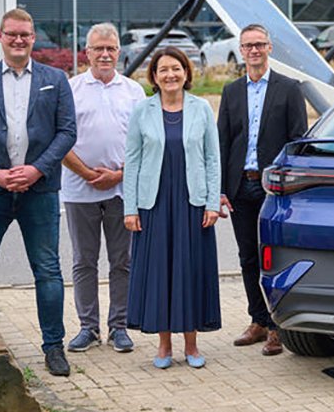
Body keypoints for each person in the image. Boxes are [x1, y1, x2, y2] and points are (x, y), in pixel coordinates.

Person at [0, 8, 77, 377]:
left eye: (25, 34)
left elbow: (67, 132)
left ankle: (53, 347)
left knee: (47, 270)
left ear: (33, 38)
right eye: (12, 35)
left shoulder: (55, 79)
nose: (19, 40)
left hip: (39, 190)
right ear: (1, 37)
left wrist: (37, 168)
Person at [123, 46, 221, 369]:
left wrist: (212, 202)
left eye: (176, 68)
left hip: (192, 203)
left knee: (189, 271)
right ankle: (164, 346)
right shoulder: (142, 110)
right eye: (163, 70)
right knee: (160, 273)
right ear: (154, 76)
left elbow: (212, 159)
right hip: (154, 203)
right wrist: (131, 208)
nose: (170, 75)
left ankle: (191, 346)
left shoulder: (202, 108)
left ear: (186, 72)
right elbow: (133, 161)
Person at [217, 24, 307, 356]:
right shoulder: (231, 91)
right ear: (241, 51)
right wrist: (221, 190)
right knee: (247, 258)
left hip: (273, 190)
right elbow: (222, 143)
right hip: (241, 186)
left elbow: (298, 141)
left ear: (269, 48)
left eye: (259, 44)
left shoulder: (289, 89)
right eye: (248, 46)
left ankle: (277, 327)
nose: (254, 50)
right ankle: (257, 320)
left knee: (276, 258)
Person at [61, 23, 146, 354]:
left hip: (121, 190)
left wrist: (119, 174)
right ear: (87, 53)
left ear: (120, 53)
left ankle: (119, 327)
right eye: (99, 48)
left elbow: (143, 143)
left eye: (111, 48)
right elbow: (59, 138)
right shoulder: (70, 89)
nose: (105, 54)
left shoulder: (134, 91)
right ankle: (88, 327)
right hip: (78, 189)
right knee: (84, 261)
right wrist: (84, 172)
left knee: (122, 260)